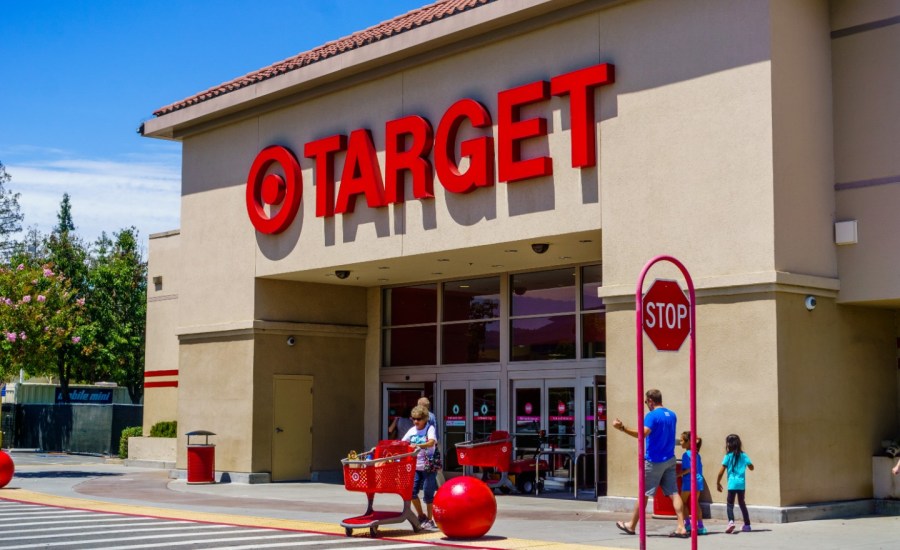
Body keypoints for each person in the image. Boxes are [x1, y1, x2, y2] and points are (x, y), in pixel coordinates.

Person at [612, 389, 687, 538]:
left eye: (646, 402)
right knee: (673, 492)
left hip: (654, 461)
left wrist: (622, 428)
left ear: (651, 401)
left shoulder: (652, 416)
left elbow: (643, 433)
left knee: (644, 494)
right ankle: (681, 526)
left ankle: (631, 525)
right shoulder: (672, 415)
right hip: (670, 459)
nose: (646, 404)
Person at [402, 405, 438, 530]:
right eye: (414, 419)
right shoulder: (412, 430)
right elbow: (403, 442)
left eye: (419, 419)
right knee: (411, 492)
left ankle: (430, 519)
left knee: (428, 494)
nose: (416, 421)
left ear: (425, 419)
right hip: (415, 467)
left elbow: (432, 442)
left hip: (428, 466)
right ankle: (421, 516)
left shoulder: (430, 428)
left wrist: (417, 445)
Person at [716, 433, 754, 533]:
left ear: (728, 444)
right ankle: (747, 525)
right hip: (741, 484)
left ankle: (731, 522)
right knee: (742, 503)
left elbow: (721, 471)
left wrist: (718, 482)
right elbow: (751, 467)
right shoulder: (744, 455)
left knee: (730, 504)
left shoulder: (728, 456)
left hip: (732, 485)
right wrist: (748, 466)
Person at [677, 431, 706, 535]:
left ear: (688, 441)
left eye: (681, 440)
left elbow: (688, 469)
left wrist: (677, 475)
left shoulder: (686, 455)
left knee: (682, 502)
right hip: (698, 480)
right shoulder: (696, 454)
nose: (680, 442)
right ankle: (701, 526)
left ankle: (688, 524)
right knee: (695, 503)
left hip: (689, 481)